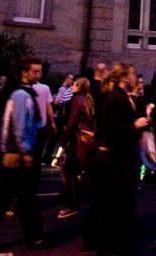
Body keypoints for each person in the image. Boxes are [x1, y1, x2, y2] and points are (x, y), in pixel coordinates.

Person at [0, 57, 46, 252]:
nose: (38, 75)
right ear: (24, 72)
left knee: (16, 199)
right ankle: (33, 238)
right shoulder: (21, 95)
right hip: (18, 157)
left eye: (39, 71)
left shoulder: (18, 92)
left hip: (13, 155)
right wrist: (26, 152)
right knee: (16, 200)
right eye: (35, 71)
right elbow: (20, 126)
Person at [84, 63, 148, 256]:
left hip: (120, 158)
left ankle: (109, 242)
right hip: (116, 160)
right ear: (123, 77)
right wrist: (135, 125)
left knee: (112, 205)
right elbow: (113, 130)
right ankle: (111, 245)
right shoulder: (116, 99)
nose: (135, 78)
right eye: (133, 74)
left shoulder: (123, 97)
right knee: (115, 206)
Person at [57, 77, 95, 220]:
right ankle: (79, 198)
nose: (72, 87)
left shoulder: (77, 99)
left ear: (78, 87)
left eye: (74, 85)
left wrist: (63, 140)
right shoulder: (86, 99)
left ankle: (71, 204)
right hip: (84, 138)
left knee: (67, 171)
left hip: (77, 139)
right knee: (76, 170)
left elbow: (72, 121)